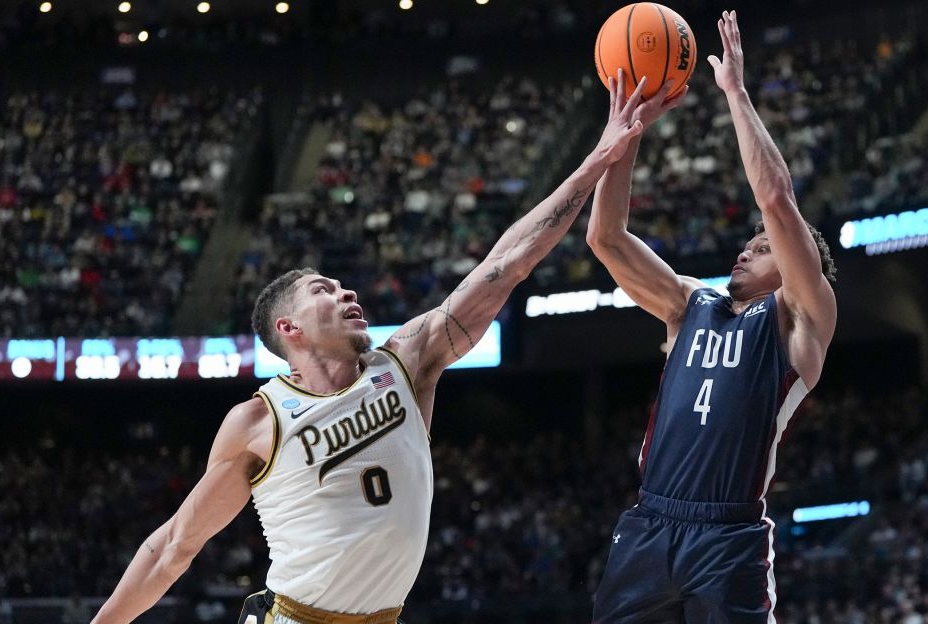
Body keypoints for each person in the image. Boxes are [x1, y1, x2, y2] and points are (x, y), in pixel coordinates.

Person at [92, 78, 651, 624]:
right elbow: (173, 547)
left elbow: (507, 265)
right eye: (324, 290)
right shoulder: (258, 420)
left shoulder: (406, 362)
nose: (346, 292)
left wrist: (597, 160)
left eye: (340, 285)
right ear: (289, 328)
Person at [586, 11, 838, 623]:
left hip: (728, 538)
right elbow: (607, 237)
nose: (744, 250)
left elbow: (776, 200)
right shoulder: (689, 303)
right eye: (747, 245)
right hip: (649, 521)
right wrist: (629, 131)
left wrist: (737, 95)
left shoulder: (801, 318)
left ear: (797, 265)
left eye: (761, 248)